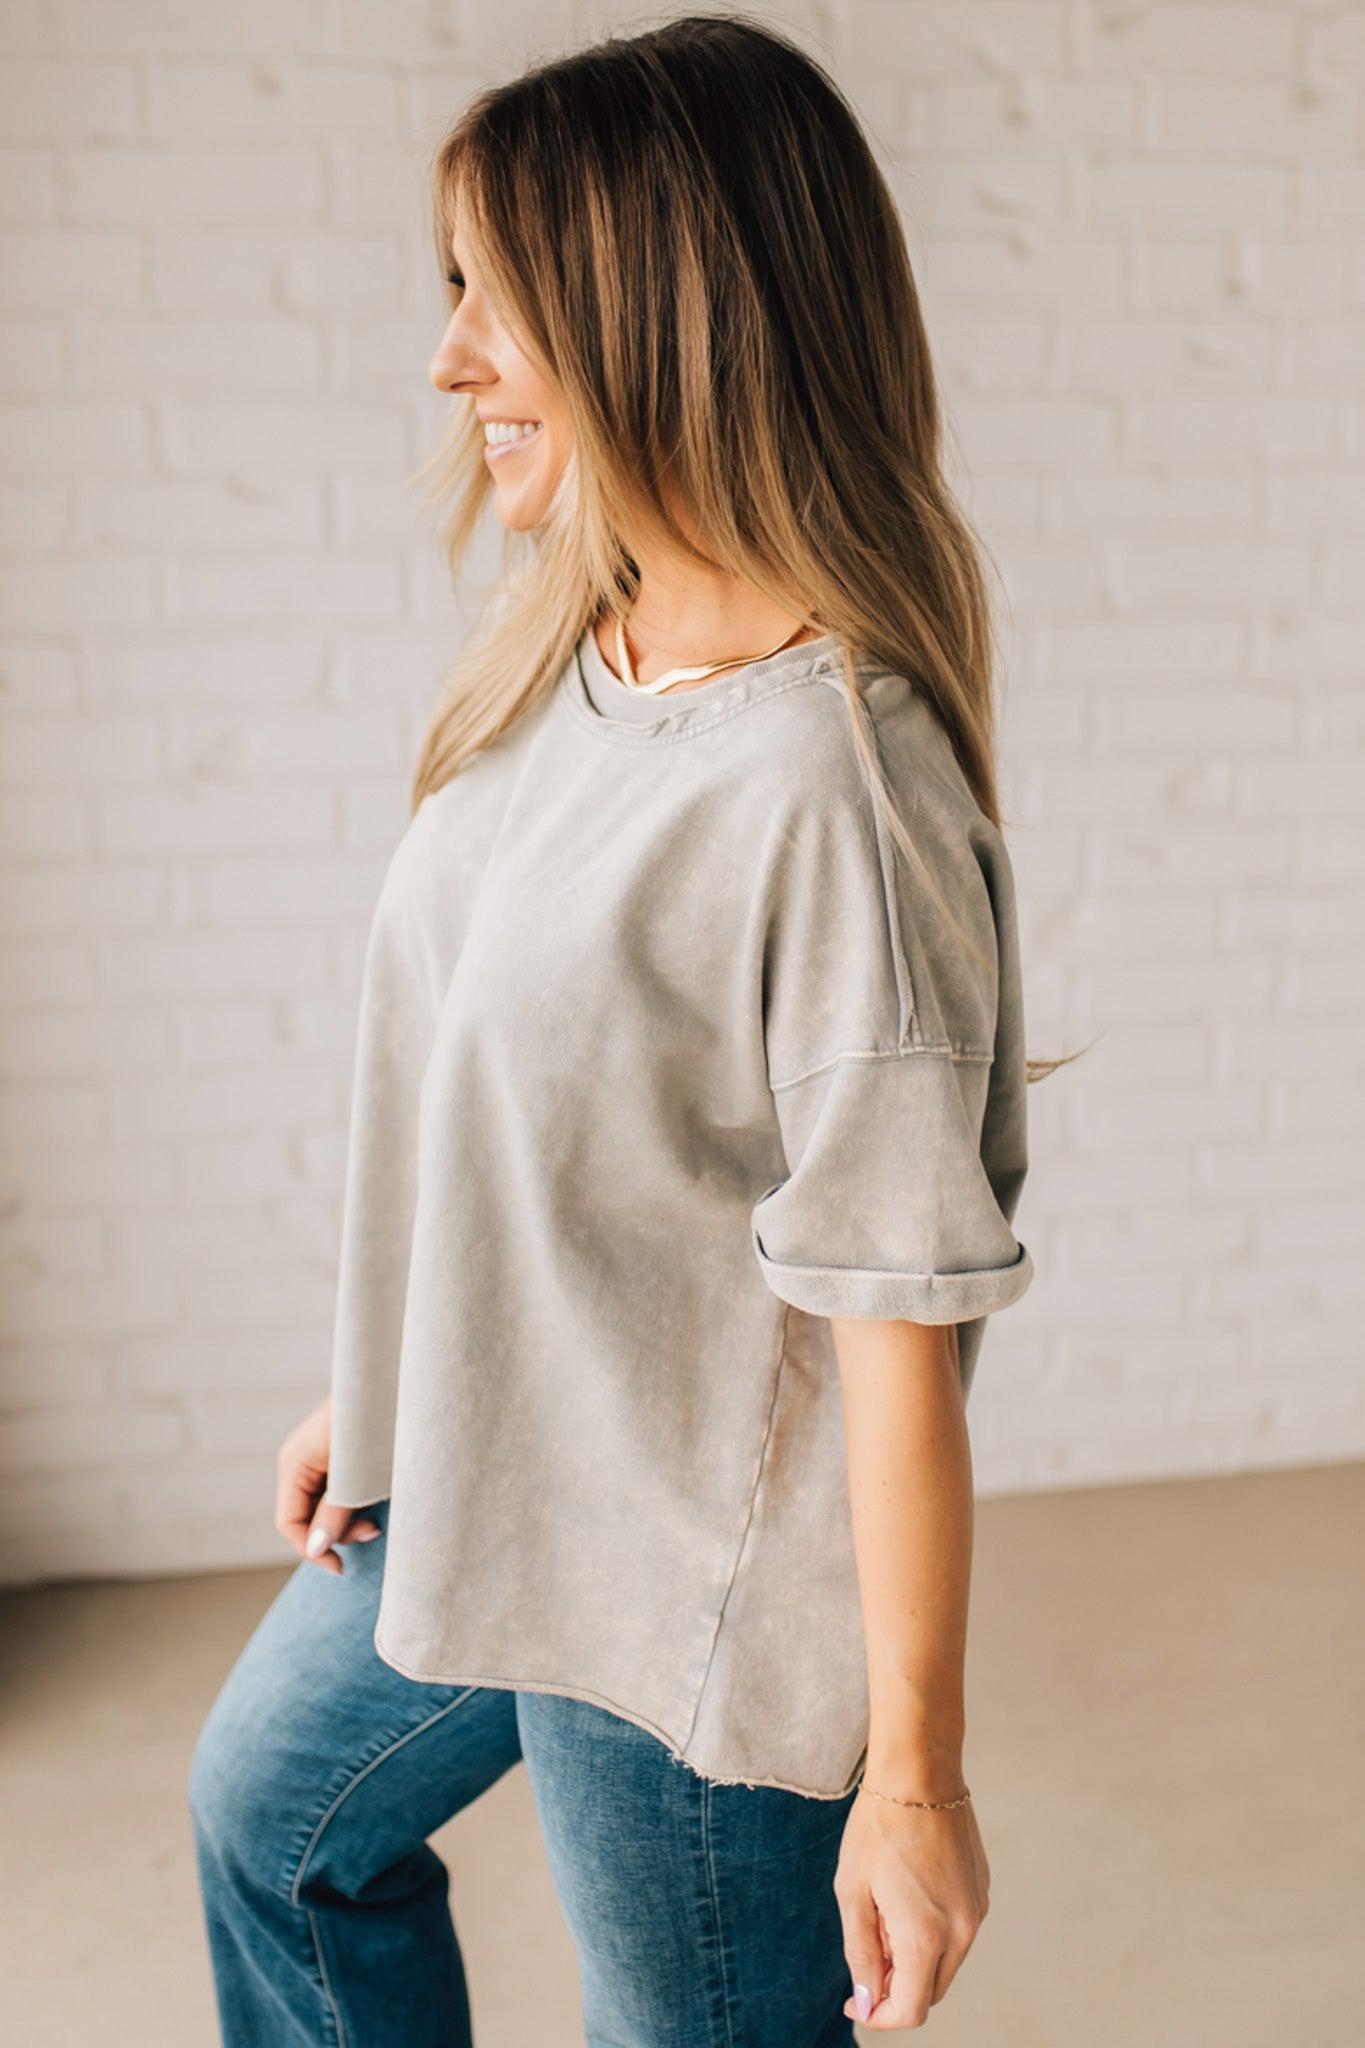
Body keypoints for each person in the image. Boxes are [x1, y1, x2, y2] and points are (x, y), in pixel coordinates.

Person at [187, 14, 1043, 2043]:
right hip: (491, 1462)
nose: (449, 356)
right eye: (452, 291)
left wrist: (910, 1778)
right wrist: (395, 1374)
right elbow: (509, 1088)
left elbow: (888, 1327)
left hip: (676, 1585)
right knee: (272, 1824)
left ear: (665, 317)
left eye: (499, 297)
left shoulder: (831, 787)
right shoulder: (581, 653)